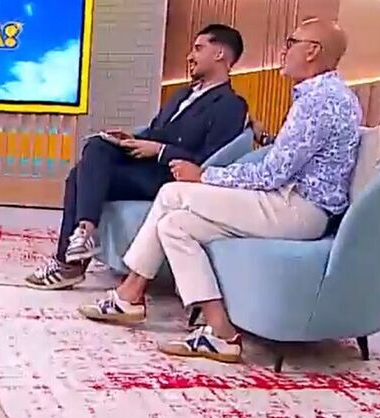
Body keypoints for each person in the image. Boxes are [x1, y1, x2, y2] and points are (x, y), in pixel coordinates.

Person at [80, 18, 362, 364]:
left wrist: (204, 176)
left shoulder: (319, 101)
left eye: (291, 42)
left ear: (312, 51)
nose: (283, 51)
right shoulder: (329, 95)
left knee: (172, 193)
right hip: (289, 201)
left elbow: (272, 174)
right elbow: (292, 159)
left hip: (298, 209)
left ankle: (129, 295)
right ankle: (222, 335)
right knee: (175, 225)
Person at [25, 24, 249, 290]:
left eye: (199, 49)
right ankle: (83, 234)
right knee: (97, 146)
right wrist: (130, 138)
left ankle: (71, 261)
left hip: (171, 176)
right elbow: (157, 130)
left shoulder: (231, 105)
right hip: (145, 164)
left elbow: (209, 160)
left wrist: (160, 150)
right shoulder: (182, 94)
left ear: (220, 54)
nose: (190, 56)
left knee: (79, 175)